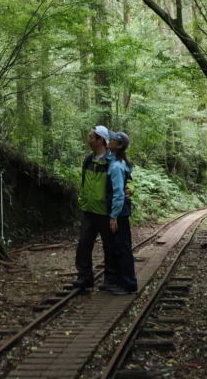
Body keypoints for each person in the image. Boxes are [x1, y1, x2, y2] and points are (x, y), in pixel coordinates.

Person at [72, 125, 117, 290]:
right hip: (89, 210)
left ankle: (110, 280)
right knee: (83, 244)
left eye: (91, 137)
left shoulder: (112, 161)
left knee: (110, 247)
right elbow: (84, 182)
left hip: (106, 211)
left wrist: (129, 190)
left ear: (100, 140)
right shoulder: (87, 160)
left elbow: (125, 180)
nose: (88, 139)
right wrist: (82, 200)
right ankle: (84, 277)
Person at [105, 131, 137, 295]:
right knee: (120, 246)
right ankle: (123, 282)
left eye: (112, 140)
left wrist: (113, 215)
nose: (109, 140)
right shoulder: (117, 161)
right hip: (121, 210)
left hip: (119, 211)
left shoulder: (117, 166)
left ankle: (128, 284)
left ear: (119, 145)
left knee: (122, 247)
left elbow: (118, 193)